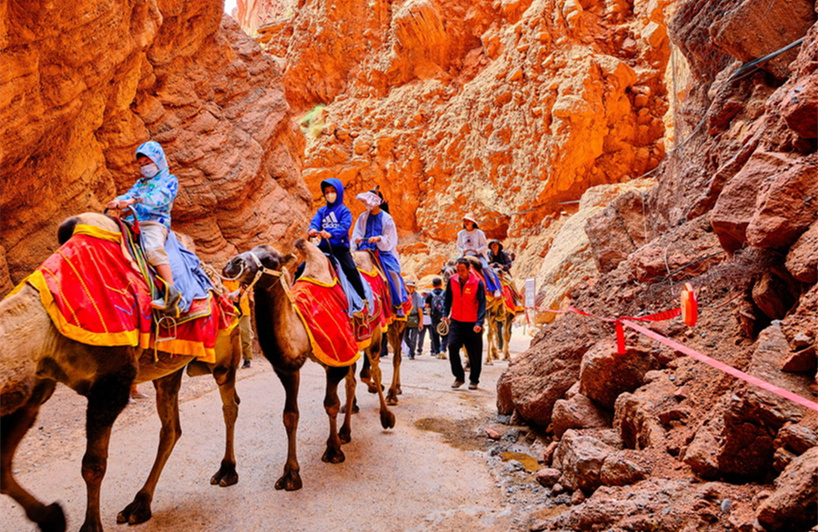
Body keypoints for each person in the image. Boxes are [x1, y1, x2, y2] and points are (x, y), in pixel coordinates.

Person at [107, 140, 180, 315]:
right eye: (141, 165)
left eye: (147, 163)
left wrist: (136, 200)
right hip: (134, 221)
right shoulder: (140, 183)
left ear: (158, 161)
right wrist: (118, 201)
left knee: (153, 248)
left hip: (155, 223)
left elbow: (161, 198)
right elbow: (129, 194)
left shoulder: (170, 180)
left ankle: (171, 295)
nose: (144, 167)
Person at [308, 178, 367, 314]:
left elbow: (345, 227)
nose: (329, 194)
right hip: (323, 249)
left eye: (333, 191)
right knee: (302, 268)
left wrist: (331, 233)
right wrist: (312, 229)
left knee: (351, 270)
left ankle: (363, 299)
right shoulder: (321, 211)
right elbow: (315, 222)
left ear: (339, 192)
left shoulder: (344, 211)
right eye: (327, 192)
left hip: (340, 249)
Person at [352, 188, 407, 312]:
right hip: (364, 250)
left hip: (382, 252)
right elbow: (357, 233)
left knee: (392, 272)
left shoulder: (387, 219)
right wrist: (357, 239)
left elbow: (389, 240)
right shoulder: (362, 217)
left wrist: (378, 239)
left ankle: (397, 304)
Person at [443, 257, 486, 390]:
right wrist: (445, 314)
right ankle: (459, 377)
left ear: (469, 269)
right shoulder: (452, 280)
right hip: (456, 320)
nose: (460, 272)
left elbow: (482, 304)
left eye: (462, 270)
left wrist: (479, 322)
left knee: (474, 353)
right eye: (458, 270)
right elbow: (447, 299)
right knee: (452, 347)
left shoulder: (477, 283)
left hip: (472, 323)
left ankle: (474, 380)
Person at [456, 213, 501, 297]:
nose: (467, 222)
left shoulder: (479, 233)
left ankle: (495, 288)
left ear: (473, 222)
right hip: (465, 256)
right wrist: (463, 250)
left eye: (469, 220)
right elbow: (458, 246)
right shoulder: (460, 234)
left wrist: (477, 250)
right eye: (465, 220)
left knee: (485, 267)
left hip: (477, 256)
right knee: (452, 268)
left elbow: (485, 246)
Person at [223, 279, 254, 368]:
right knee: (231, 338)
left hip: (244, 313)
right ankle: (231, 361)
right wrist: (238, 293)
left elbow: (251, 298)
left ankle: (247, 359)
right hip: (232, 313)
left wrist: (249, 293)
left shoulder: (244, 283)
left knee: (246, 336)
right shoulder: (226, 283)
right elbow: (228, 297)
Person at [424, 277, 447, 358]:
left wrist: (429, 315)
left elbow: (427, 306)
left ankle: (437, 352)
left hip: (434, 317)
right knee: (445, 334)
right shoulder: (445, 293)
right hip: (444, 316)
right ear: (441, 284)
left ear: (433, 285)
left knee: (435, 335)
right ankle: (443, 350)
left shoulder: (430, 294)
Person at [403, 280, 424, 359]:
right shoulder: (404, 295)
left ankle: (411, 353)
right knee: (404, 336)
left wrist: (421, 322)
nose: (409, 288)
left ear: (414, 288)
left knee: (414, 337)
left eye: (411, 287)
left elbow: (420, 310)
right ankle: (411, 350)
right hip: (406, 317)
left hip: (415, 317)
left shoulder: (417, 296)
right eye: (408, 286)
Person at [416, 293, 434, 357]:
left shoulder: (432, 302)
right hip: (423, 322)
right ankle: (419, 350)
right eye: (424, 294)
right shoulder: (421, 301)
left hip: (430, 322)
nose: (425, 295)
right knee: (421, 337)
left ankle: (433, 351)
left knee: (432, 337)